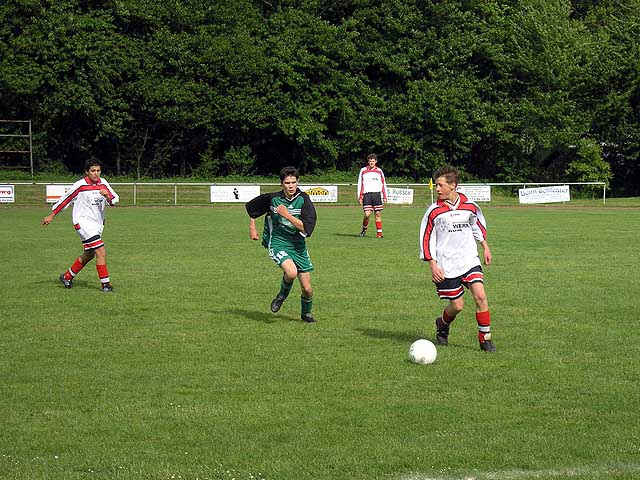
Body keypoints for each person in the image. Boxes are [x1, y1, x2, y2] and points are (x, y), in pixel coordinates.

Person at [419, 165, 496, 352]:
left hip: (469, 259)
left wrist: (485, 247)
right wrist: (433, 265)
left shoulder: (470, 206)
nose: (437, 189)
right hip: (446, 264)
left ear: (452, 185)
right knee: (457, 306)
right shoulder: (433, 211)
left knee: (480, 295)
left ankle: (485, 339)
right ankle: (442, 325)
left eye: (440, 185)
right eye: (436, 185)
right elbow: (426, 238)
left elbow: (477, 226)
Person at [245, 166, 317, 323]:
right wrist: (252, 227)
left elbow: (307, 228)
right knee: (291, 272)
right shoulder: (273, 198)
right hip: (278, 242)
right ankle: (281, 296)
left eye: (293, 182)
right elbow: (252, 208)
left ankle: (306, 314)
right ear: (281, 184)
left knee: (307, 289)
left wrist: (287, 215)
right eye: (287, 183)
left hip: (298, 246)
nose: (291, 186)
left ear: (298, 182)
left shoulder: (303, 199)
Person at [42, 159, 119, 292]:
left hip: (97, 225)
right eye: (93, 171)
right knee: (101, 251)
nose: (96, 173)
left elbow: (114, 200)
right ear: (86, 172)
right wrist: (52, 215)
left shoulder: (103, 183)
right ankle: (105, 284)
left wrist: (107, 196)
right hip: (83, 223)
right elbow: (65, 199)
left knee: (90, 254)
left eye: (98, 170)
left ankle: (67, 276)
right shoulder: (80, 185)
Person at [356, 153, 387, 238]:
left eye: (373, 161)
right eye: (370, 161)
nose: (371, 162)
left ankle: (379, 234)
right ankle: (364, 229)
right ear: (368, 161)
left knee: (378, 214)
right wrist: (360, 196)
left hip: (377, 195)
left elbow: (383, 184)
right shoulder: (363, 170)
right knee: (367, 214)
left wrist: (385, 196)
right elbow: (360, 184)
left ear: (376, 161)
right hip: (367, 195)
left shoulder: (379, 171)